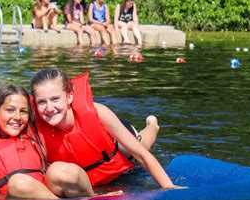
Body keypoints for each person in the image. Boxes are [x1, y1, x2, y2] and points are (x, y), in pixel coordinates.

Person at [31, 68, 177, 189]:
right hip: (89, 172)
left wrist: (170, 188)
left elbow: (142, 156)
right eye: (42, 102)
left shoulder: (98, 112)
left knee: (141, 146)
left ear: (69, 97)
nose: (49, 108)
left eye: (55, 99)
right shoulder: (36, 131)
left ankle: (152, 126)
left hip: (116, 147)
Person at [0, 84, 94, 200]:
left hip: (46, 191)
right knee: (18, 182)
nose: (17, 117)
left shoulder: (35, 135)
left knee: (60, 170)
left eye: (23, 111)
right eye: (10, 110)